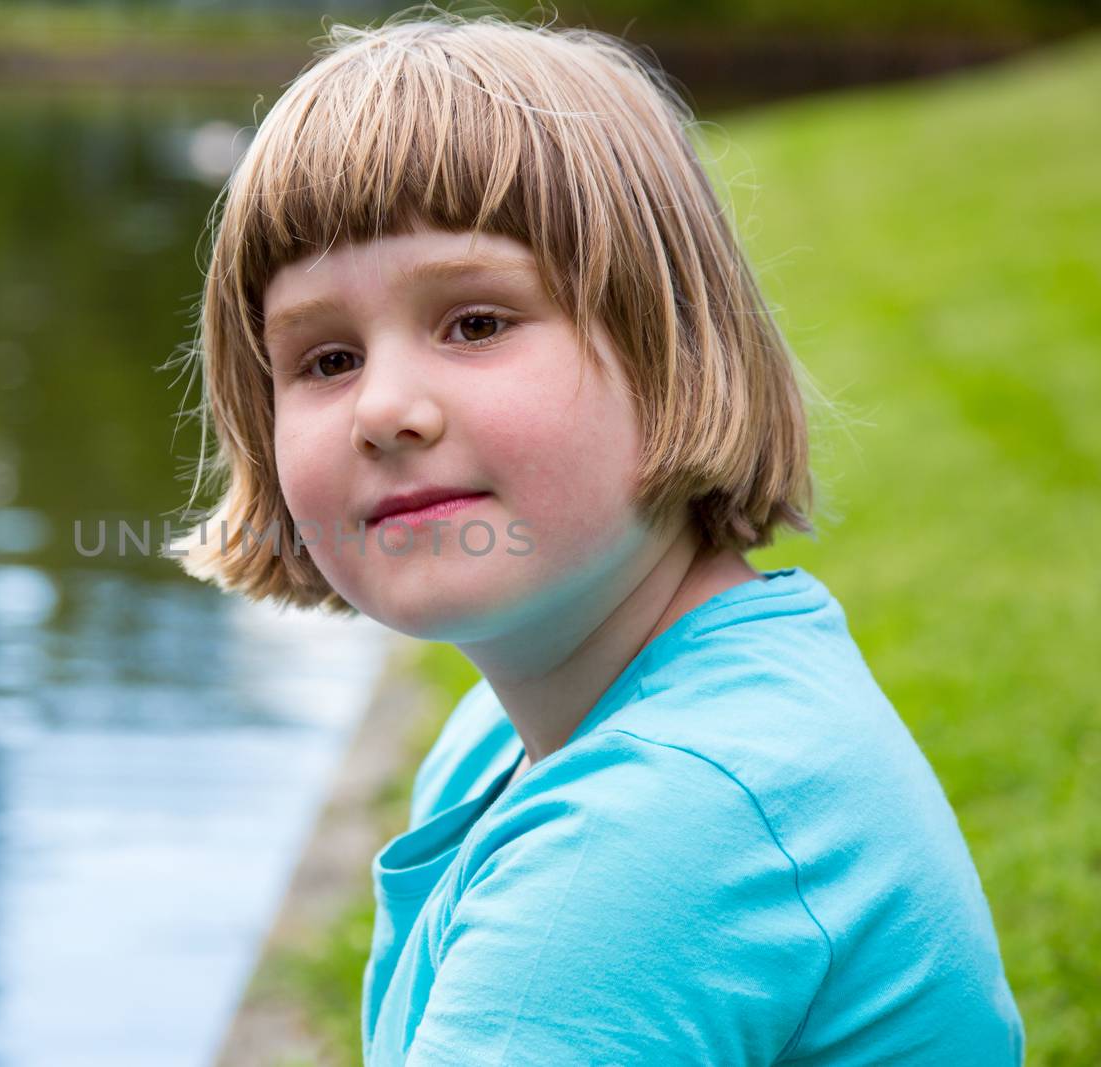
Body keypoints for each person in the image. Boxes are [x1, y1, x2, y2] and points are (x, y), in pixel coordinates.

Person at [162, 12, 1024, 1066]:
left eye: (475, 322)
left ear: (667, 347)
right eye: (325, 358)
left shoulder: (649, 826)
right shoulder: (504, 732)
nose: (384, 407)